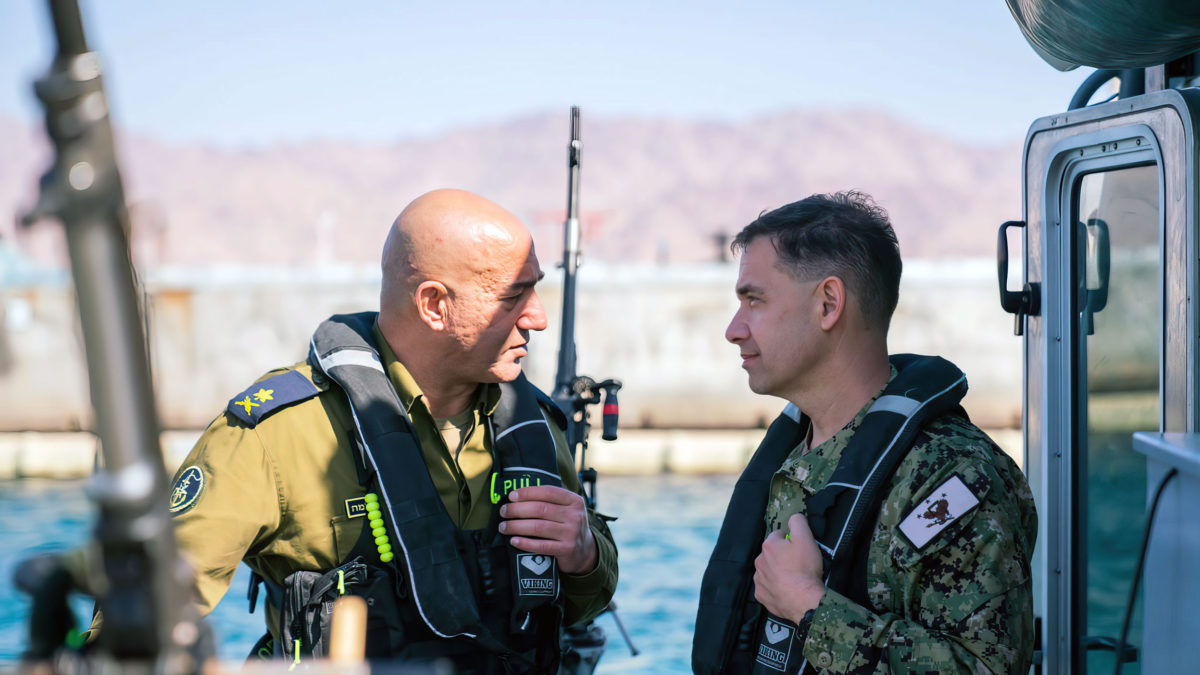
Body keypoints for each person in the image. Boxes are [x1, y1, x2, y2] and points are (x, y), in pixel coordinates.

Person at [156, 189, 617, 671]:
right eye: (511, 296)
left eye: (535, 289)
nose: (538, 317)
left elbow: (583, 605)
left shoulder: (532, 429)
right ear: (434, 305)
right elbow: (147, 616)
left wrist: (584, 553)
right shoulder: (278, 435)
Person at [692, 192, 1036, 674]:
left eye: (754, 300)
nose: (734, 328)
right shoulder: (795, 458)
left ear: (829, 304)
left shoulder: (950, 479)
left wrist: (811, 609)